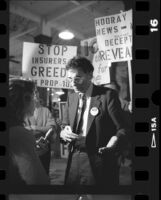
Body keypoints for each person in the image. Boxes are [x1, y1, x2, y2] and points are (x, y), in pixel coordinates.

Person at [60, 56, 128, 186]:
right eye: (69, 79)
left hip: (99, 159)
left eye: (77, 78)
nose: (72, 83)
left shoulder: (108, 95)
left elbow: (123, 128)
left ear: (90, 75)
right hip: (74, 158)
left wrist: (115, 140)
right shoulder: (71, 96)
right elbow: (64, 124)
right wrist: (63, 133)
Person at [9, 78, 50, 185]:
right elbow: (38, 181)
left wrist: (32, 147)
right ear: (25, 99)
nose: (36, 100)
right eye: (33, 96)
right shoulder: (20, 134)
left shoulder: (11, 127)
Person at [25, 89, 57, 175]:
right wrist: (42, 129)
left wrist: (34, 127)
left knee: (44, 173)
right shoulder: (24, 111)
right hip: (29, 149)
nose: (35, 94)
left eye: (36, 92)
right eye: (33, 92)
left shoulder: (45, 110)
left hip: (44, 148)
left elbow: (51, 128)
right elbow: (22, 129)